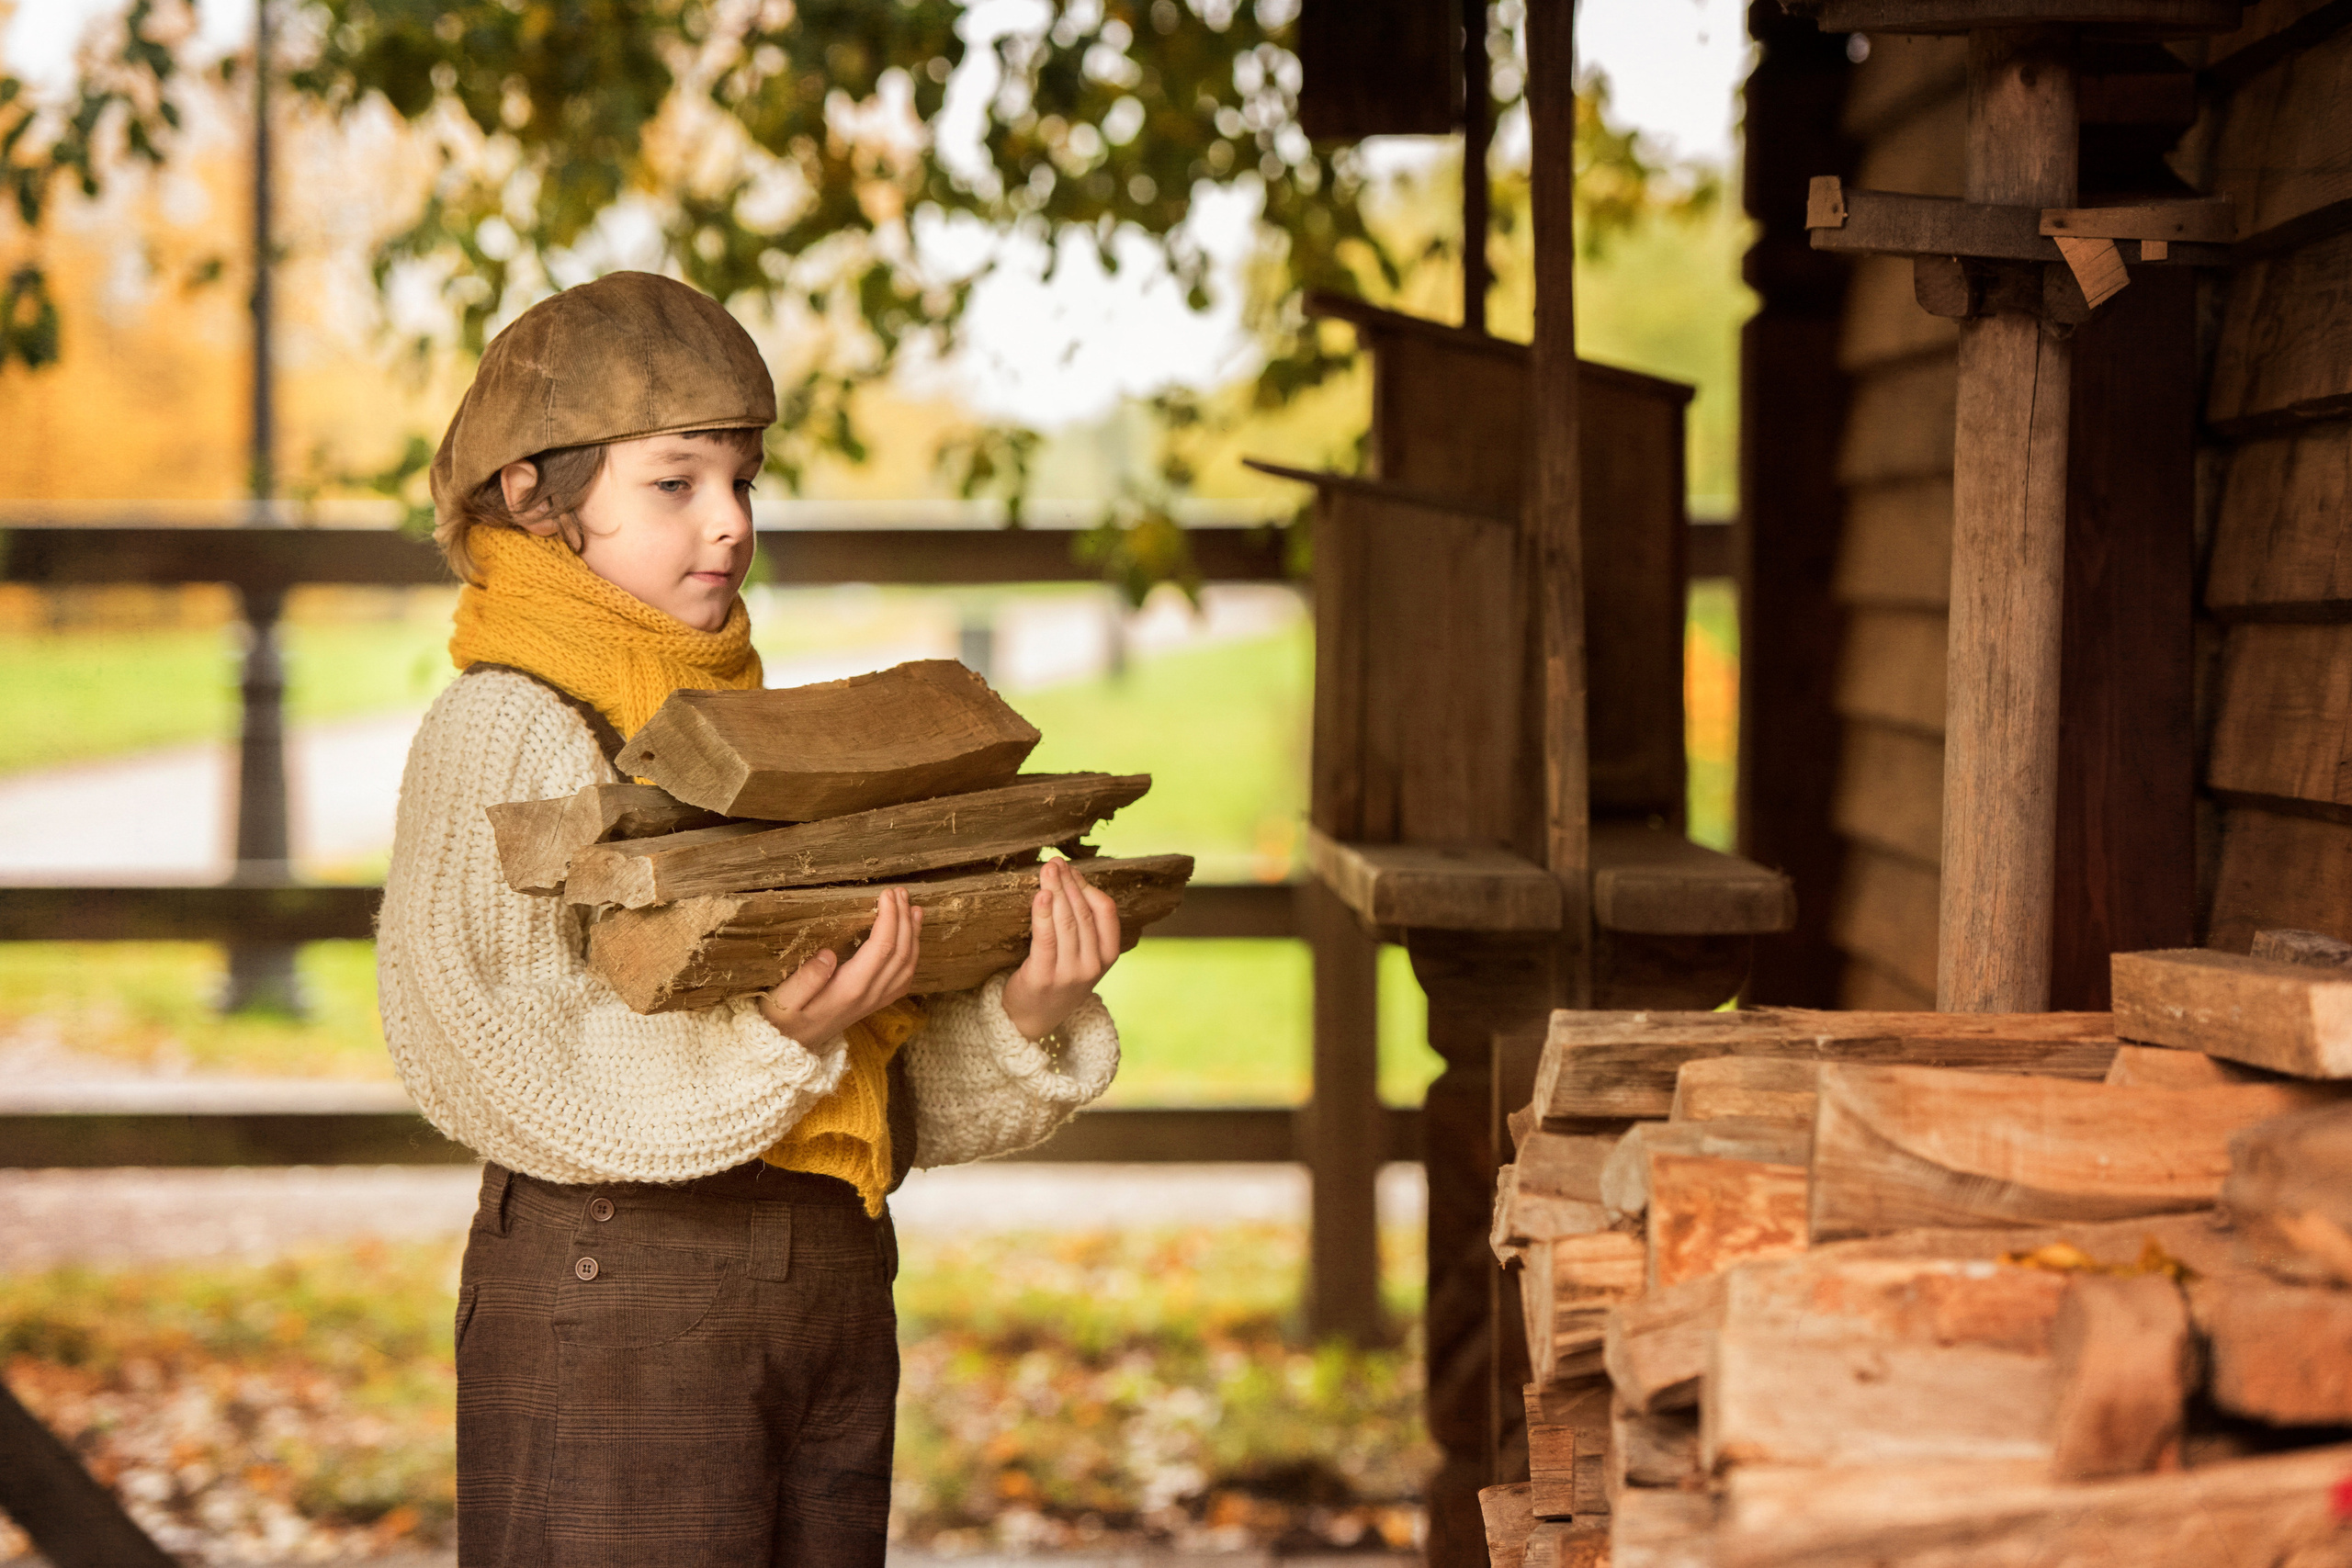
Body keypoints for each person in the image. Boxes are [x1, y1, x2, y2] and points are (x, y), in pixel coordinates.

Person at [375, 270, 1125, 1567]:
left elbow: (850, 1088)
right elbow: (483, 1050)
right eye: (675, 485)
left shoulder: (751, 738)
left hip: (827, 1288)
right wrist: (768, 1040)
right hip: (622, 1307)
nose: (728, 524)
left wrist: (1023, 1013)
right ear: (535, 497)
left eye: (743, 482)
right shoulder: (509, 724)